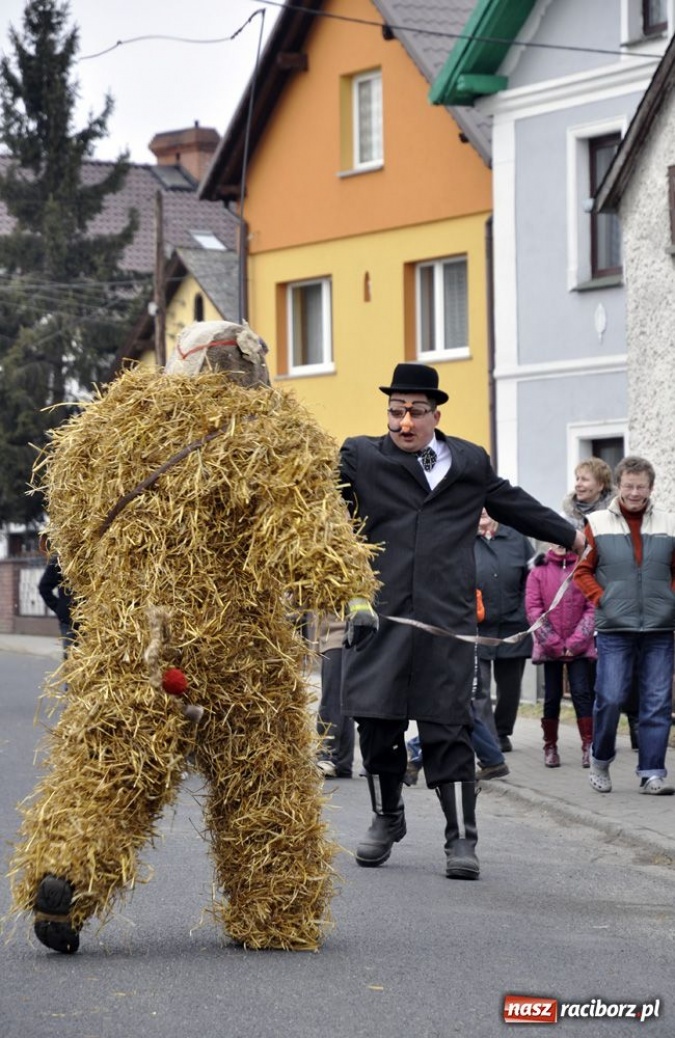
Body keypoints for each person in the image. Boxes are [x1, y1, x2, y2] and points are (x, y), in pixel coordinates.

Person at [9, 320, 379, 955]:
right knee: (263, 782)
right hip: (237, 645)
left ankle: (68, 874)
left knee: (110, 771)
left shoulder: (104, 429)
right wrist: (349, 595)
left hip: (133, 640)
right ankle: (273, 912)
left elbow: (70, 537)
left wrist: (115, 594)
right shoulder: (270, 431)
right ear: (251, 372)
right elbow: (306, 529)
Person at [338, 362, 584, 881]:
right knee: (377, 724)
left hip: (446, 618)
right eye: (395, 411)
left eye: (415, 412)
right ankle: (387, 818)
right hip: (379, 617)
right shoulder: (360, 457)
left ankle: (461, 839)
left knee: (446, 725)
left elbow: (513, 504)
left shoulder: (469, 461)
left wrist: (572, 536)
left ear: (435, 414)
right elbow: (311, 508)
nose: (404, 423)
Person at [574, 455, 675, 796]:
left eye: (641, 487)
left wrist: (670, 600)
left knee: (657, 701)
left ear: (651, 488)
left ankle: (652, 772)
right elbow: (581, 571)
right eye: (629, 486)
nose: (635, 493)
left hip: (661, 629)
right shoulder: (597, 522)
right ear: (619, 485)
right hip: (615, 627)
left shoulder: (668, 522)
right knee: (611, 697)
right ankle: (601, 757)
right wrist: (603, 600)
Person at [525, 544, 596, 768]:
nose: (561, 543)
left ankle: (589, 746)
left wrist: (576, 642)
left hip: (579, 646)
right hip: (550, 646)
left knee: (582, 693)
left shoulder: (583, 567)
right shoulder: (538, 570)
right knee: (552, 697)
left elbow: (592, 606)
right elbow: (533, 608)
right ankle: (550, 746)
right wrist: (553, 643)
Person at [475, 509, 534, 753]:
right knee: (480, 688)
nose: (482, 511)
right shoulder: (462, 538)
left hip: (513, 625)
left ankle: (502, 731)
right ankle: (489, 740)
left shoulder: (517, 538)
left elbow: (532, 579)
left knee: (510, 689)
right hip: (476, 627)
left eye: (488, 506)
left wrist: (523, 612)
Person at [316, 615, 355, 779]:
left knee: (332, 700)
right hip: (356, 636)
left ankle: (329, 756)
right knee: (345, 701)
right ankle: (343, 762)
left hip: (338, 636)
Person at [38, 554, 76, 656]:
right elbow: (44, 588)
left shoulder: (95, 555)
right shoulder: (59, 560)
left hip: (95, 620)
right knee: (73, 662)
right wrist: (60, 608)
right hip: (69, 621)